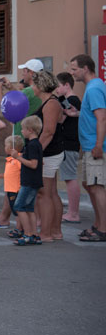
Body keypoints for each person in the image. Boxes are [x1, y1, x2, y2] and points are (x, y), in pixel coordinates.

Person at [68, 54, 106, 241]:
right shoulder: (93, 87)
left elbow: (101, 118)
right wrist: (78, 113)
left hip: (95, 147)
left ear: (85, 68)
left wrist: (98, 145)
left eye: (74, 69)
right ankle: (98, 224)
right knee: (89, 184)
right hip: (90, 146)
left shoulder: (94, 89)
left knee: (97, 186)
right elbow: (93, 115)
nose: (72, 72)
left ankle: (103, 229)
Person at [32, 70, 64, 242]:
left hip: (49, 153)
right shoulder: (50, 102)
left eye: (33, 84)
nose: (32, 87)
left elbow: (48, 132)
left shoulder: (51, 103)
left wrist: (37, 153)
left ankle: (46, 233)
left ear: (40, 86)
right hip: (51, 152)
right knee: (51, 193)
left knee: (44, 194)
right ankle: (55, 231)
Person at [9, 115, 44, 245]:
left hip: (29, 181)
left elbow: (33, 164)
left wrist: (18, 157)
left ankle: (28, 234)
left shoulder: (32, 145)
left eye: (23, 129)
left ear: (30, 130)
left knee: (19, 206)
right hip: (33, 181)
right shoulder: (36, 144)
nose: (22, 131)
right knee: (29, 208)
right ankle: (34, 234)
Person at [0, 58, 43, 137]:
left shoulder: (29, 91)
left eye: (24, 71)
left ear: (31, 73)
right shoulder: (40, 89)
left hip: (21, 135)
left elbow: (5, 108)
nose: (22, 74)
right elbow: (21, 96)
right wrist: (10, 87)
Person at [56, 71, 81, 223]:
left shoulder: (71, 100)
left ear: (66, 85)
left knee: (70, 177)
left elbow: (60, 120)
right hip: (68, 143)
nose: (56, 89)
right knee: (68, 177)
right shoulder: (66, 99)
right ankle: (72, 211)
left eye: (58, 86)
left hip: (69, 143)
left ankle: (73, 213)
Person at [0, 135, 23, 230]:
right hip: (10, 189)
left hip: (15, 189)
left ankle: (20, 229)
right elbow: (12, 174)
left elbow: (22, 171)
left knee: (17, 211)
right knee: (15, 209)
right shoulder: (10, 159)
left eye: (5, 146)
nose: (4, 148)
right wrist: (1, 176)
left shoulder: (17, 159)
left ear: (12, 148)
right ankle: (19, 229)